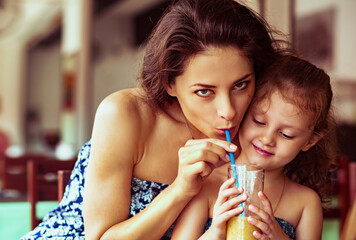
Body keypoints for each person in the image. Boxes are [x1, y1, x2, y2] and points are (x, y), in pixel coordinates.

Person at [20, 0, 282, 239]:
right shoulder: (125, 114)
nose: (228, 111)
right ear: (169, 83)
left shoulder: (262, 127)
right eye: (204, 91)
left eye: (240, 85)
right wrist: (180, 190)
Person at [171, 54, 338, 240]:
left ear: (310, 141)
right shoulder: (207, 183)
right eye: (259, 121)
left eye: (286, 134)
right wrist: (215, 232)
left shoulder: (306, 202)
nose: (267, 139)